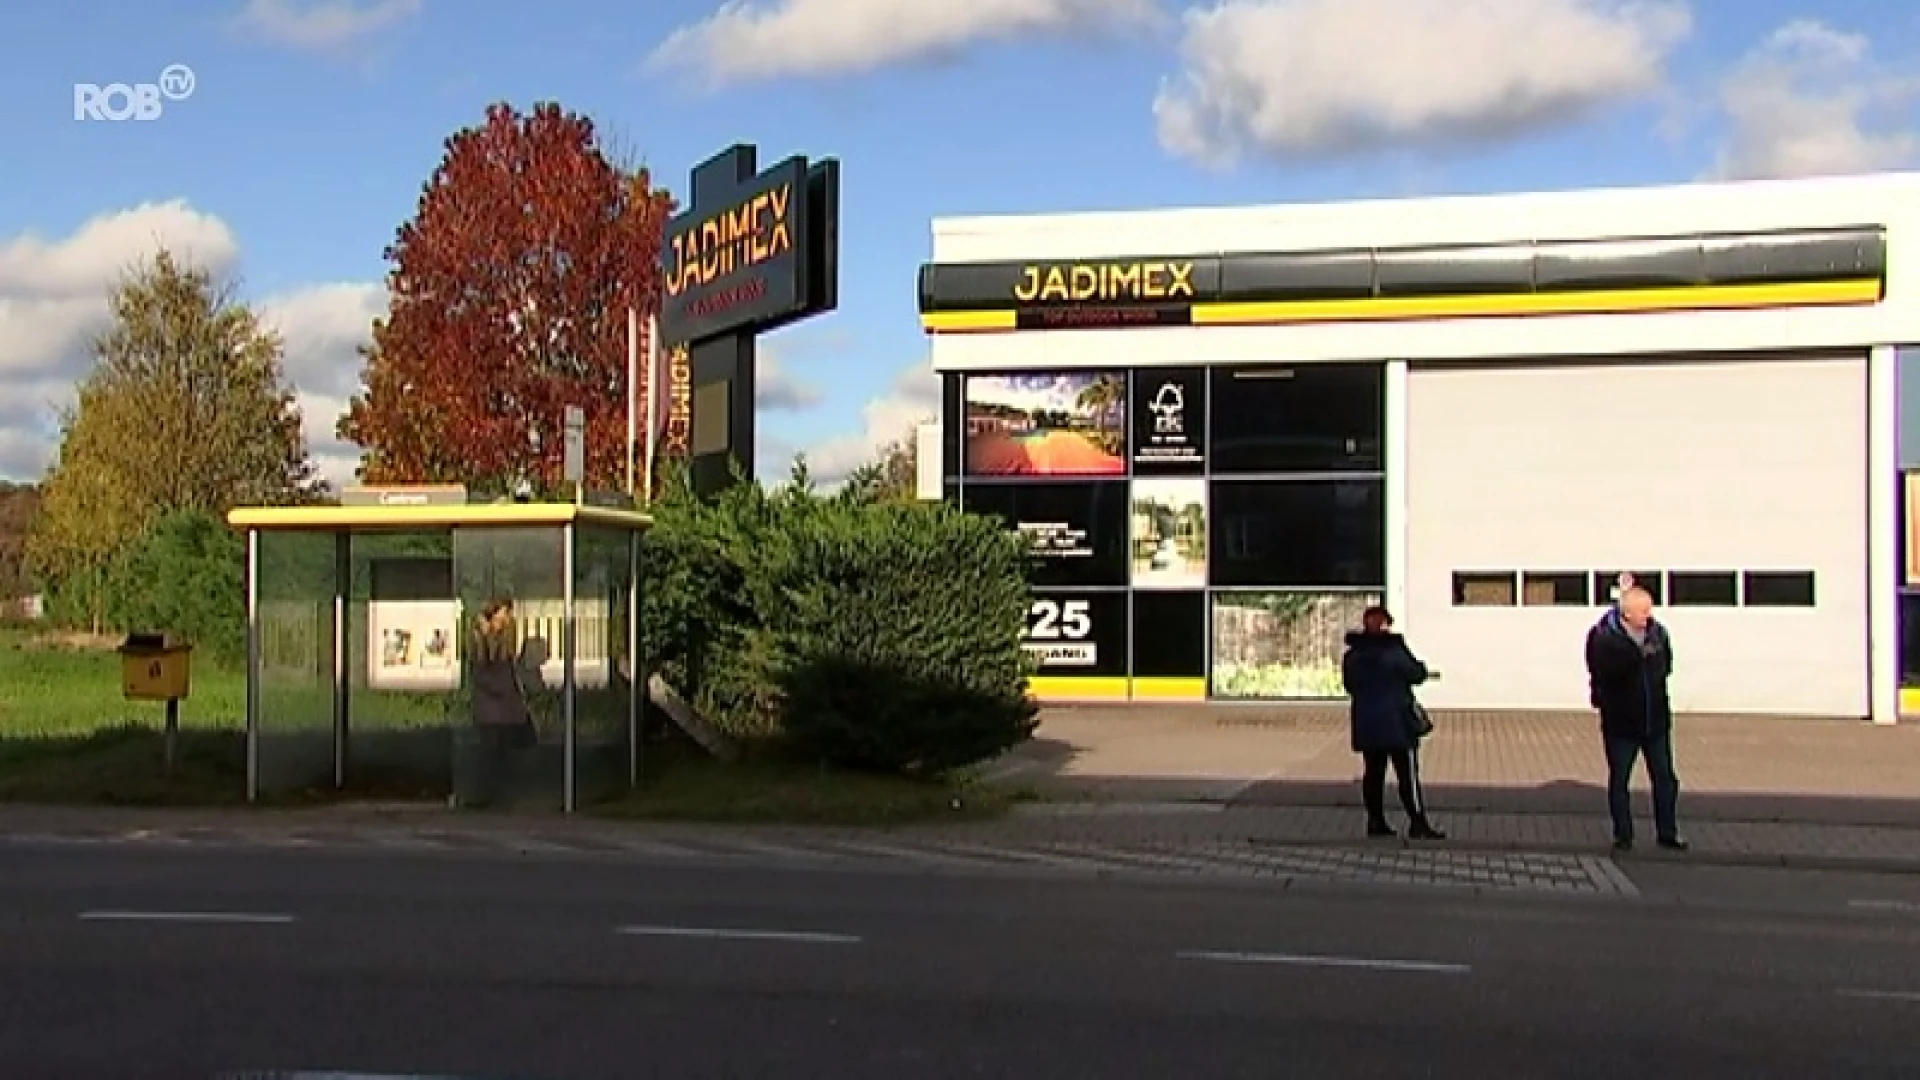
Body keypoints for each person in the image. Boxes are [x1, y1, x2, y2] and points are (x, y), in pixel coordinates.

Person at [1585, 585, 1687, 853]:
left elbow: (1667, 666)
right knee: (1620, 780)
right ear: (1626, 613)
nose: (1648, 615)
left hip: (1655, 720)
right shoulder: (1603, 637)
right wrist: (1635, 658)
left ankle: (1667, 832)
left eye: (1649, 609)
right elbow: (1603, 672)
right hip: (1621, 722)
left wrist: (1652, 661)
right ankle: (1623, 835)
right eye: (1642, 611)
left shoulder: (1657, 632)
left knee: (1665, 779)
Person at [1341, 605, 1445, 840]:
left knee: (1373, 774)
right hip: (1398, 722)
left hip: (1367, 723)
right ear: (1385, 625)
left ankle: (1375, 822)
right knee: (1407, 775)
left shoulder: (1352, 655)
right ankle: (1417, 822)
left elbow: (1349, 686)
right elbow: (1415, 674)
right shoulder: (1394, 651)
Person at [463, 596, 533, 809]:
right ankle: (484, 795)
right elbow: (480, 671)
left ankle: (498, 796)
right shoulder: (479, 638)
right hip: (492, 706)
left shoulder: (506, 635)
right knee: (490, 752)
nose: (508, 617)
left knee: (503, 753)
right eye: (504, 612)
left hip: (506, 708)